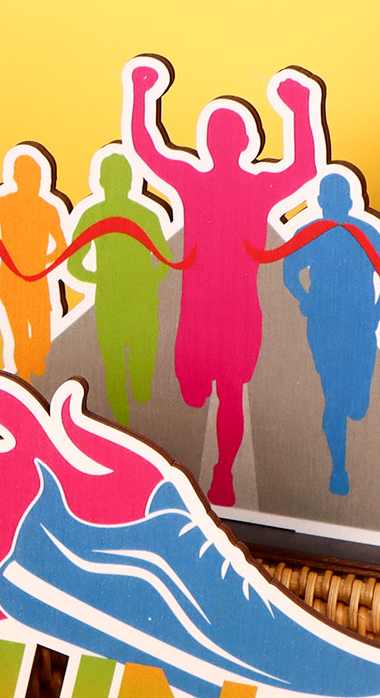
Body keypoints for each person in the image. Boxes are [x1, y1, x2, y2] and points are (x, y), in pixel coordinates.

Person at [124, 57, 324, 506]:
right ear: (209, 143)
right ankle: (207, 452)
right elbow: (147, 153)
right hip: (198, 316)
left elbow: (305, 170)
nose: (224, 141)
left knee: (230, 392)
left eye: (228, 135)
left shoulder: (253, 187)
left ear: (245, 143)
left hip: (236, 314)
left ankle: (223, 475)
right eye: (219, 134)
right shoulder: (193, 182)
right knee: (194, 393)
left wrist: (301, 107)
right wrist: (139, 92)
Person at [280, 168, 380, 496]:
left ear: (351, 201)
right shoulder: (311, 232)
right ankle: (339, 469)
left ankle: (353, 404)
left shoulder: (366, 232)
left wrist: (375, 315)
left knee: (357, 406)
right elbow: (289, 270)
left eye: (339, 199)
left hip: (360, 324)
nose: (333, 204)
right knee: (334, 395)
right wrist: (305, 299)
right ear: (320, 201)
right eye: (329, 199)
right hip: (324, 325)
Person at [65, 149, 172, 427]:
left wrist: (149, 282)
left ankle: (140, 385)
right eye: (115, 177)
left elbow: (165, 258)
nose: (118, 183)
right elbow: (74, 264)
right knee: (114, 365)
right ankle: (122, 422)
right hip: (113, 299)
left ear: (131, 181)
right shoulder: (94, 215)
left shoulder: (144, 214)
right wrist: (102, 278)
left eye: (122, 177)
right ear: (101, 181)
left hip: (137, 299)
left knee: (138, 360)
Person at [0, 148, 70, 382]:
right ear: (15, 177)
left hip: (38, 277)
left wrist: (45, 259)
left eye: (35, 176)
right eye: (27, 176)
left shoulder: (48, 208)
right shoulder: (1, 204)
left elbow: (61, 245)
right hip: (10, 278)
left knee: (43, 335)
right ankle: (24, 379)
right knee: (19, 334)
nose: (33, 181)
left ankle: (35, 359)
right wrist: (3, 249)